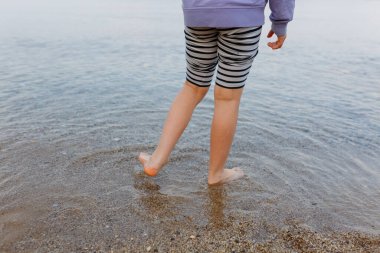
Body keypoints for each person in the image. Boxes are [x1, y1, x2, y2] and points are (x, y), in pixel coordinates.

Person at [138, 0, 295, 185]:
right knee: (227, 98)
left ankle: (156, 160)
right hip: (242, 16)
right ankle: (216, 174)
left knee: (192, 87)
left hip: (198, 15)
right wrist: (280, 22)